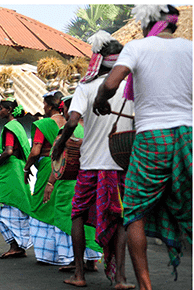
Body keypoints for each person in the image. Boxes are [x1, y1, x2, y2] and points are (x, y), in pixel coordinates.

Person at [93, 5, 191, 289]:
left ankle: (146, 286)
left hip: (152, 138)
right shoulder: (190, 48)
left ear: (147, 24)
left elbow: (111, 82)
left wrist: (101, 98)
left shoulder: (137, 47)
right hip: (188, 136)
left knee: (134, 211)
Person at [53, 30, 135, 289]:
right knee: (121, 218)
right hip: (122, 163)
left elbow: (73, 121)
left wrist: (59, 144)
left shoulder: (86, 87)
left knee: (77, 214)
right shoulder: (132, 87)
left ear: (97, 59)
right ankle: (120, 278)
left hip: (90, 164)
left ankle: (79, 274)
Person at [24, 91, 101, 266]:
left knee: (67, 218)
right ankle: (92, 259)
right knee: (89, 219)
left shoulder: (67, 130)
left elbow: (60, 160)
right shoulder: (92, 128)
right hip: (91, 179)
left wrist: (50, 182)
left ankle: (72, 260)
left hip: (69, 182)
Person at [0, 97, 33, 259]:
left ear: (8, 110)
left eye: (1, 108)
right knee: (16, 208)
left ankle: (16, 245)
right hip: (19, 168)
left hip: (11, 170)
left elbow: (8, 151)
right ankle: (19, 245)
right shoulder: (18, 127)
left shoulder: (9, 127)